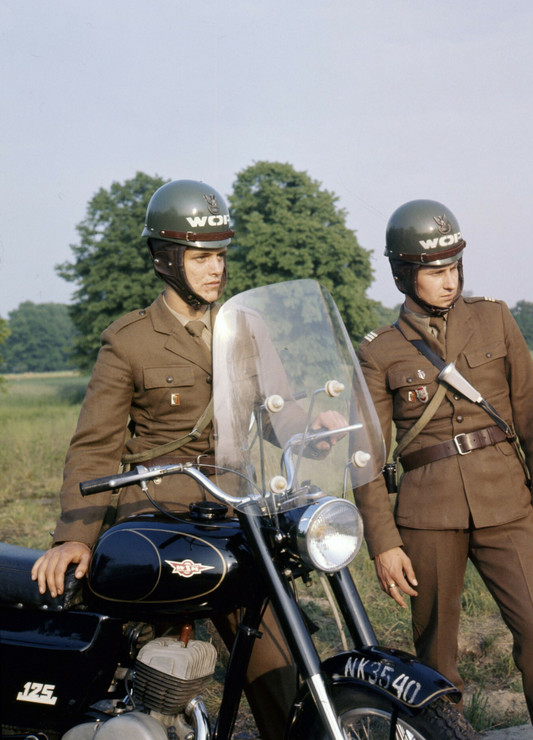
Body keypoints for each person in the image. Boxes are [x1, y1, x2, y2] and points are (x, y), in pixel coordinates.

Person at [30, 179, 339, 740]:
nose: (215, 268)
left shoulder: (246, 328)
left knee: (278, 672)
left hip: (234, 519)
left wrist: (311, 428)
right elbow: (94, 446)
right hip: (158, 526)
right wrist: (73, 537)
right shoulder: (129, 341)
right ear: (166, 260)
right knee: (155, 679)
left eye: (220, 255)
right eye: (201, 256)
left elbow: (278, 410)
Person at [354, 199, 533, 740]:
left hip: (506, 500)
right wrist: (383, 543)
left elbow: (531, 410)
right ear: (405, 274)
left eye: (454, 267)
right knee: (436, 655)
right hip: (428, 515)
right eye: (435, 271)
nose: (449, 280)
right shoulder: (380, 351)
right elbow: (363, 455)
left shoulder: (494, 318)